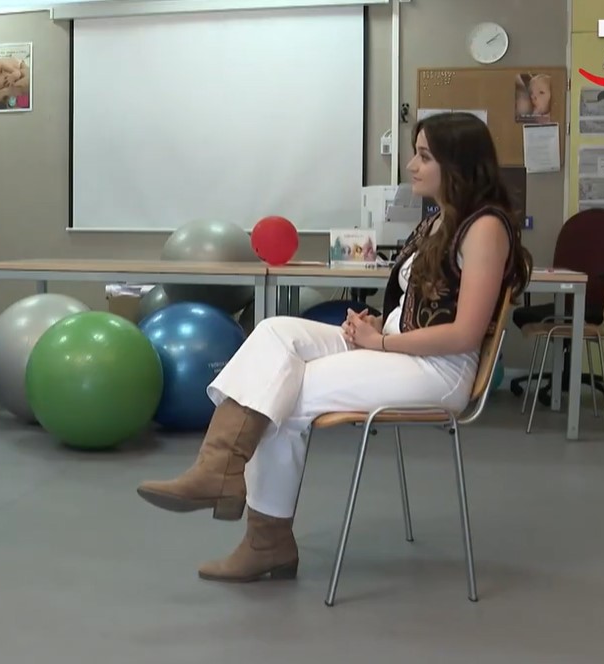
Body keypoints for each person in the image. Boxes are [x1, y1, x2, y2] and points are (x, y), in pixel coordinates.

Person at [135, 111, 533, 583]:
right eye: (416, 153)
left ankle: (264, 540)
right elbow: (419, 305)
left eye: (425, 156)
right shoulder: (439, 222)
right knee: (275, 332)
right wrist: (378, 324)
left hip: (439, 370)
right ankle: (218, 469)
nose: (411, 165)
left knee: (284, 391)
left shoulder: (484, 228)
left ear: (458, 163)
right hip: (403, 349)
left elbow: (464, 333)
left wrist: (381, 341)